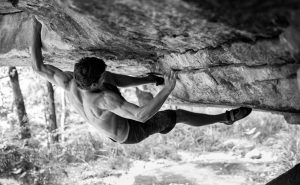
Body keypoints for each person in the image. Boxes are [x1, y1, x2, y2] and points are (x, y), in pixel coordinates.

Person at [30, 17, 252, 144]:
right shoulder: (105, 100)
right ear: (96, 83)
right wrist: (167, 89)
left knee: (115, 82)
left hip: (113, 123)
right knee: (178, 115)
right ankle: (226, 118)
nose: (106, 75)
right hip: (130, 131)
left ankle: (148, 84)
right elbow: (142, 115)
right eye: (102, 76)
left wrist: (35, 27)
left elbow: (38, 66)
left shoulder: (69, 82)